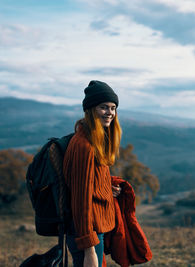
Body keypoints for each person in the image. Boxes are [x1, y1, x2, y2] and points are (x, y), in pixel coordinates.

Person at [63, 80, 122, 267]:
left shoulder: (94, 141)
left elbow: (88, 183)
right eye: (103, 107)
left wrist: (105, 186)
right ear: (90, 109)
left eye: (113, 108)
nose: (110, 113)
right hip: (87, 234)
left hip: (93, 231)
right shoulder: (85, 146)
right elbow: (80, 200)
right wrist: (89, 250)